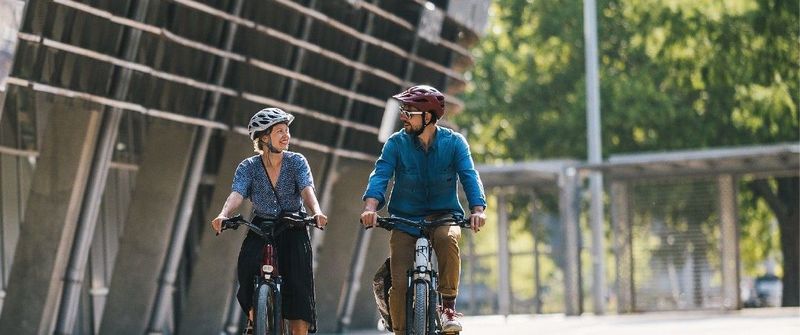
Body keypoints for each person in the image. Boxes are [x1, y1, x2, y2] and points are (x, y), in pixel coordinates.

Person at [360, 85, 487, 334]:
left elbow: (469, 176)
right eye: (403, 110)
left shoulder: (455, 143)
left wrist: (478, 209)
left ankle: (448, 308)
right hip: (404, 218)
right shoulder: (396, 143)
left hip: (443, 215)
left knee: (448, 239)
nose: (403, 116)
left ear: (428, 116)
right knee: (398, 281)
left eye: (410, 111)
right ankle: (399, 329)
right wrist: (370, 207)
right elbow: (381, 175)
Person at [211, 107, 327, 335]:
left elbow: (306, 189)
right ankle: (255, 318)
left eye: (287, 131)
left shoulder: (297, 162)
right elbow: (236, 194)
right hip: (262, 225)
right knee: (246, 266)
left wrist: (316, 211)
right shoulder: (248, 167)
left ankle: (299, 332)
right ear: (264, 137)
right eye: (280, 131)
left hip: (293, 224)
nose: (287, 136)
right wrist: (223, 215)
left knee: (299, 284)